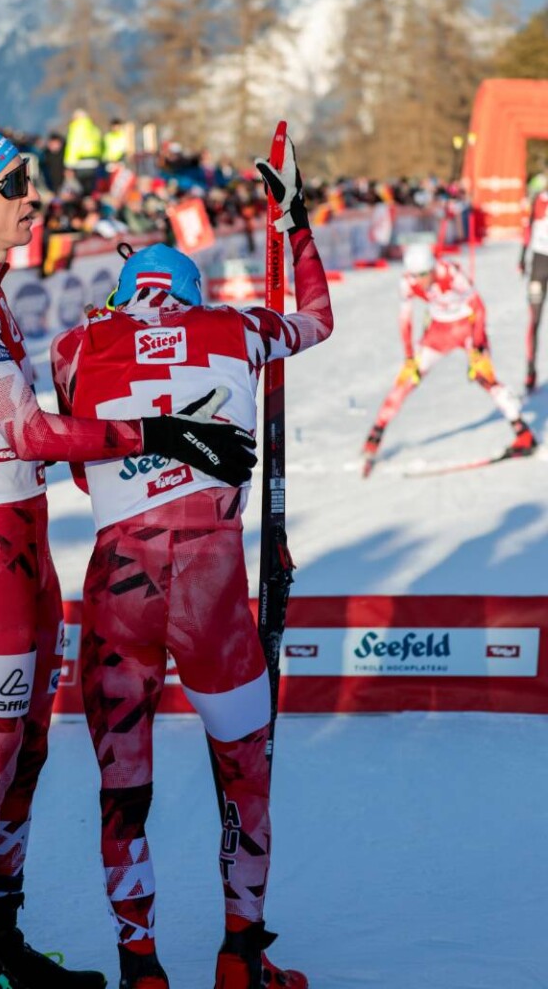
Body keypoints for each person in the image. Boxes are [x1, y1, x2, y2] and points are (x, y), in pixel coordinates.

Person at [0, 120, 256, 989]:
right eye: (16, 186)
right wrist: (167, 431)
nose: (33, 200)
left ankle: (0, 940)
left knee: (27, 751)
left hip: (14, 534)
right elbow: (30, 431)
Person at [50, 138, 333, 989]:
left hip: (120, 575)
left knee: (121, 782)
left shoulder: (74, 347)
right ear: (192, 293)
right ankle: (242, 954)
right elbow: (318, 319)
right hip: (211, 576)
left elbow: (75, 457)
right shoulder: (236, 327)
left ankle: (140, 966)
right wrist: (298, 224)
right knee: (244, 763)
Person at [362, 242, 537, 476]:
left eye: (424, 274)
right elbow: (405, 319)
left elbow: (479, 307)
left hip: (466, 328)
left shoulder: (451, 274)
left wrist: (477, 346)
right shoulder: (408, 282)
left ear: (432, 268)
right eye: (416, 275)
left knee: (485, 377)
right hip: (437, 333)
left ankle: (523, 434)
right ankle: (375, 436)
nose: (421, 280)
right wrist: (408, 356)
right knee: (407, 379)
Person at [520, 183, 548, 393]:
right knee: (535, 319)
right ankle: (531, 369)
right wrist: (521, 256)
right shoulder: (540, 198)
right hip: (540, 262)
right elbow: (528, 228)